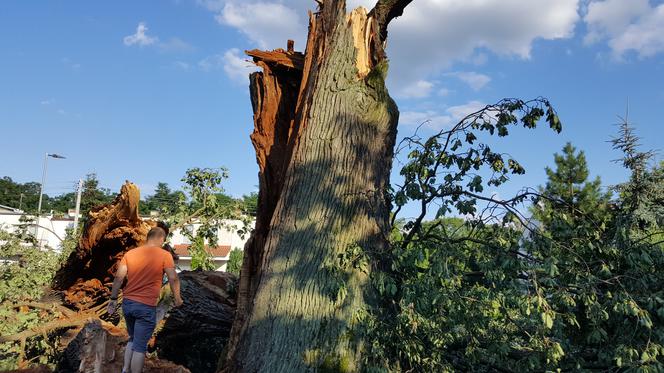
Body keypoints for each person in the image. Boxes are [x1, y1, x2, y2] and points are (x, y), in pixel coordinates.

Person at [107, 226, 184, 373]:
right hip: (146, 306)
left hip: (128, 304)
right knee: (140, 347)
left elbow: (118, 277)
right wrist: (178, 299)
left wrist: (113, 298)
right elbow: (173, 278)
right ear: (161, 239)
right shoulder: (164, 255)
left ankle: (125, 369)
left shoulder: (130, 254)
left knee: (133, 338)